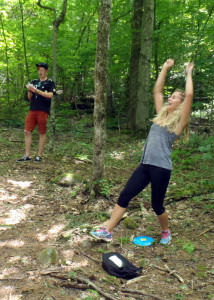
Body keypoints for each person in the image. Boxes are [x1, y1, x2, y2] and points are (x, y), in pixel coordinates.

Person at [90, 59, 194, 245]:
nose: (170, 99)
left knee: (157, 205)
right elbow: (157, 91)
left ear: (181, 104)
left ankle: (165, 231)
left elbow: (190, 95)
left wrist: (188, 73)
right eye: (170, 96)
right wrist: (164, 68)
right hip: (145, 165)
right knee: (125, 195)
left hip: (161, 168)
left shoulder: (179, 123)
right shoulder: (161, 116)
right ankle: (107, 231)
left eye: (175, 98)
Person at [17, 63, 56, 163]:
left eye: (42, 70)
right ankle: (27, 155)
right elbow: (30, 98)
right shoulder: (34, 81)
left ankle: (39, 155)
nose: (40, 72)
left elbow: (50, 95)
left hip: (43, 110)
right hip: (32, 109)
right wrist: (30, 91)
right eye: (39, 70)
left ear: (46, 71)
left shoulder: (50, 82)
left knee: (42, 132)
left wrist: (37, 91)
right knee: (27, 131)